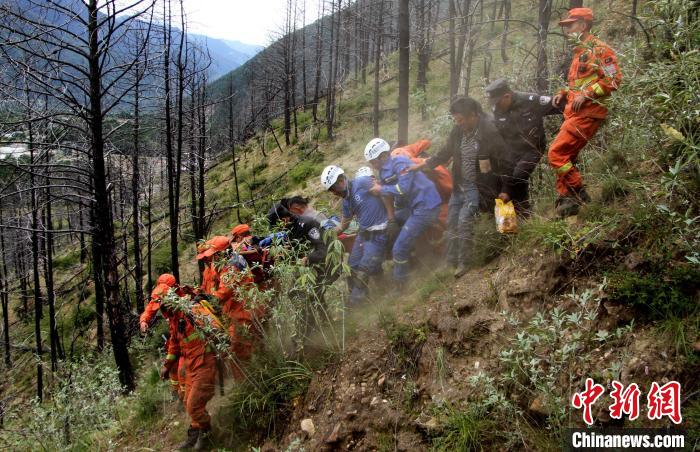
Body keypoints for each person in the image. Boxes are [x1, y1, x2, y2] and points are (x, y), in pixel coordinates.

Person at [409, 96, 506, 278]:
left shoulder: (489, 131)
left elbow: (503, 160)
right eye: (456, 120)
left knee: (464, 221)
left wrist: (505, 188)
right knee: (451, 222)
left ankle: (464, 262)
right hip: (459, 185)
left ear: (473, 115)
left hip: (478, 187)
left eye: (460, 120)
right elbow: (445, 152)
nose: (458, 123)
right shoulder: (458, 131)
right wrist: (424, 165)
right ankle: (450, 261)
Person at [548, 7, 621, 217]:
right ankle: (567, 201)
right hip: (574, 113)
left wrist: (588, 94)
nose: (566, 30)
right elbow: (578, 85)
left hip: (588, 113)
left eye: (570, 25)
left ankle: (579, 192)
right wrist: (563, 92)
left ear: (582, 25)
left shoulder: (600, 50)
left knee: (556, 154)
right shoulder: (579, 52)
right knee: (566, 156)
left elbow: (614, 80)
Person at [365, 138, 442, 286]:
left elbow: (403, 189)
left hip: (426, 206)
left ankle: (401, 285)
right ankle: (410, 258)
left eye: (373, 161)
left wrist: (381, 189)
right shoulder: (383, 172)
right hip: (413, 207)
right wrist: (390, 218)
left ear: (383, 156)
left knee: (399, 248)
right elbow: (389, 193)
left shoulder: (399, 163)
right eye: (371, 162)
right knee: (386, 225)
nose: (372, 165)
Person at [485, 78, 562, 217]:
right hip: (511, 151)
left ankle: (523, 213)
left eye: (498, 102)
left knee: (518, 175)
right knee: (504, 181)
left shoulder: (530, 101)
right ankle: (517, 219)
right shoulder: (497, 111)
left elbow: (559, 105)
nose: (496, 106)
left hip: (533, 148)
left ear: (507, 96)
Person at [161, 294, 223, 451]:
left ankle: (207, 433)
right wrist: (167, 366)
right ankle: (196, 432)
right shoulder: (175, 319)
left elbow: (216, 330)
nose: (167, 316)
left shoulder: (192, 311)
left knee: (194, 405)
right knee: (187, 401)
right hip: (191, 366)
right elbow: (174, 343)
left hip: (204, 363)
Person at [321, 165, 387, 305]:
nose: (334, 193)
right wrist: (327, 236)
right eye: (331, 190)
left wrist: (390, 217)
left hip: (379, 229)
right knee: (352, 266)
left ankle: (356, 302)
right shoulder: (346, 201)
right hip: (364, 233)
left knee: (364, 268)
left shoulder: (362, 182)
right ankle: (365, 299)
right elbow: (343, 224)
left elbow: (384, 191)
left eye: (334, 188)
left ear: (341, 180)